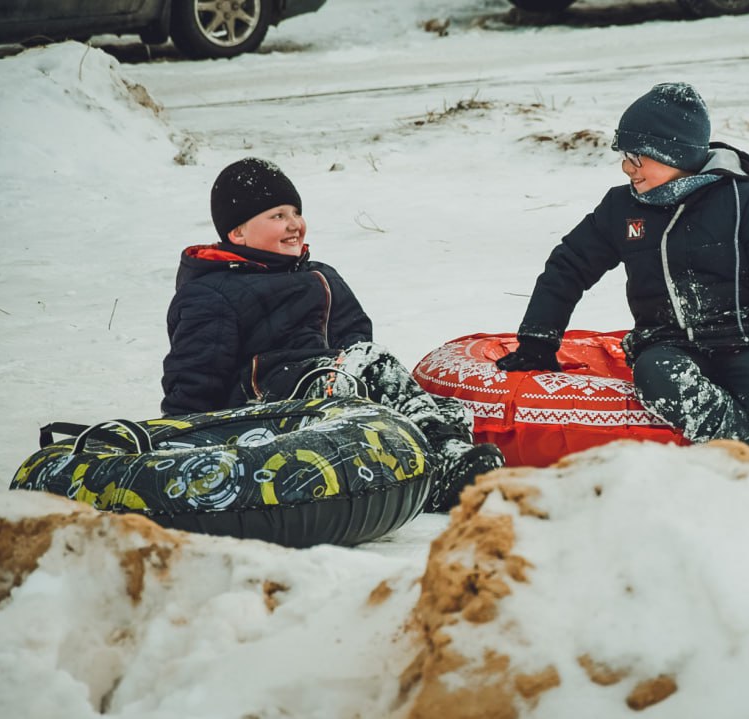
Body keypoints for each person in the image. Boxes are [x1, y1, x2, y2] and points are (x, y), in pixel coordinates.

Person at [495, 83, 749, 465]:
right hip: (668, 345)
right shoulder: (621, 208)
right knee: (660, 379)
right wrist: (538, 339)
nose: (626, 167)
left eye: (636, 157)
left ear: (671, 152)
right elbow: (569, 264)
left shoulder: (743, 201)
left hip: (747, 340)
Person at [161, 157, 503, 511]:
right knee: (374, 365)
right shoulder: (211, 292)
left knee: (445, 408)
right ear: (237, 233)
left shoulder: (321, 276)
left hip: (331, 388)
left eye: (296, 212)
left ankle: (420, 471)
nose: (294, 224)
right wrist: (179, 440)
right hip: (265, 407)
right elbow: (194, 374)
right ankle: (442, 462)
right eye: (277, 216)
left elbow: (355, 338)